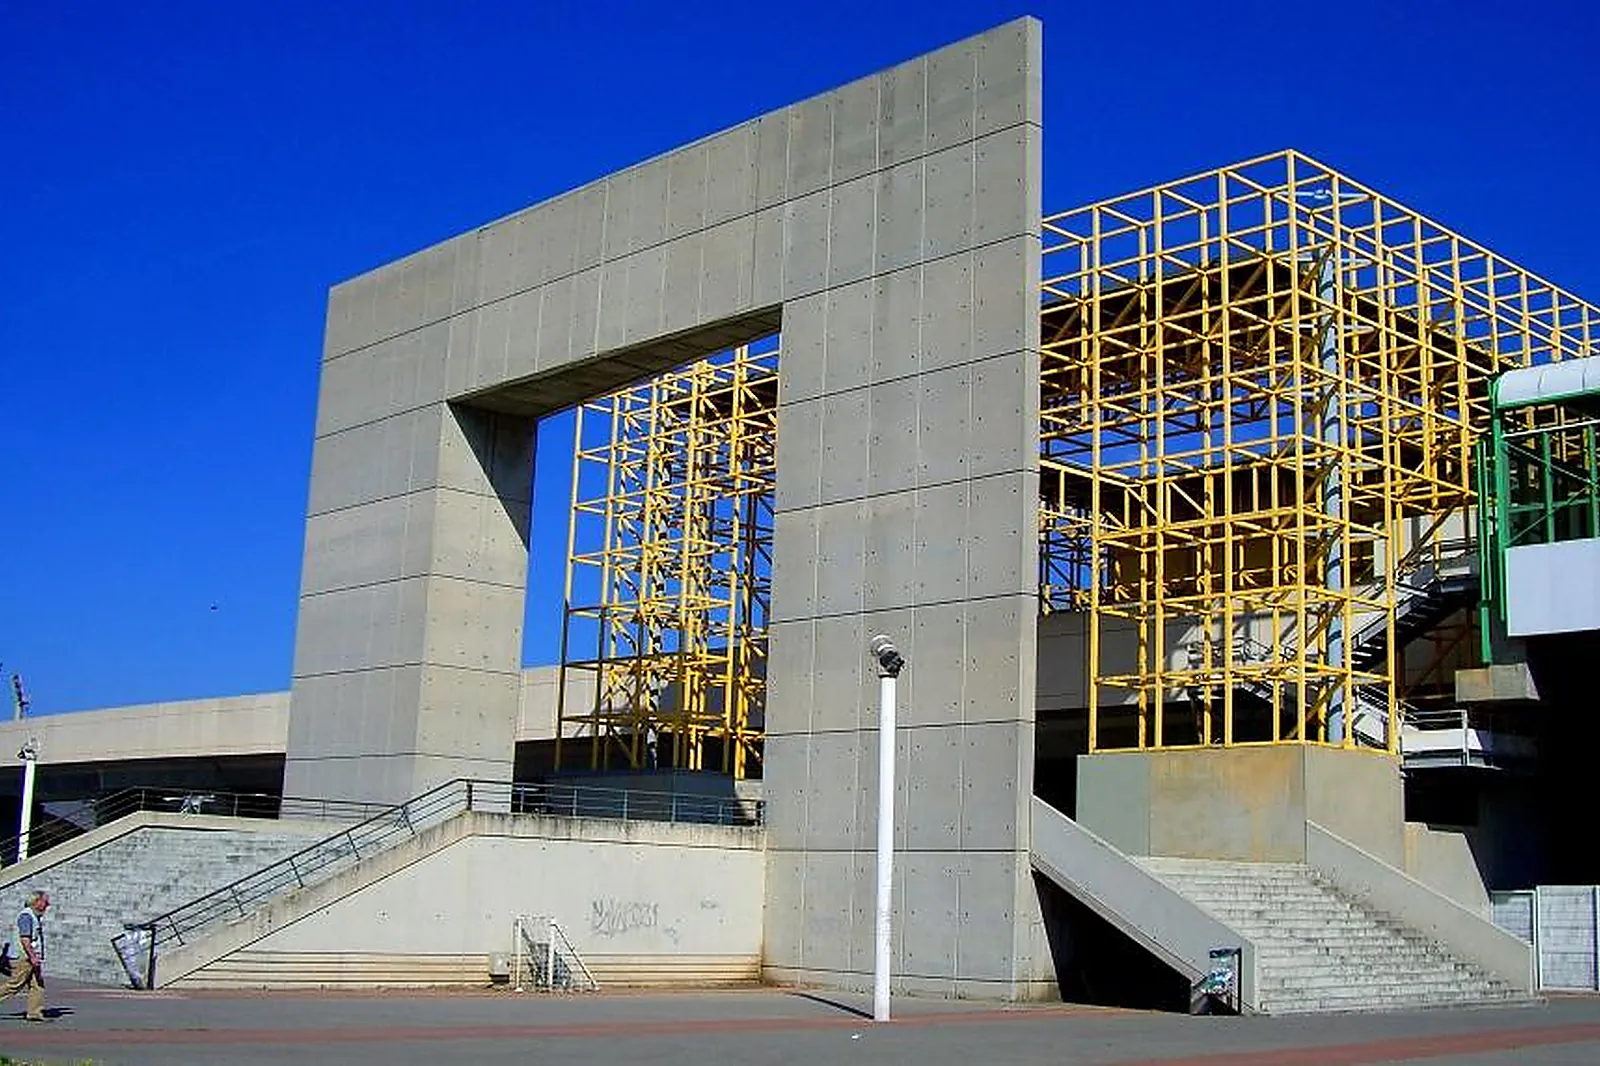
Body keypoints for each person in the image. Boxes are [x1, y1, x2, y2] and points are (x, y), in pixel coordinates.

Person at [0, 890, 49, 1021]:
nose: (47, 904)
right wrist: (32, 956)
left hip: (31, 957)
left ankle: (34, 1012)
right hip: (23, 958)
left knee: (37, 985)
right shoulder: (26, 916)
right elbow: (25, 939)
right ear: (37, 901)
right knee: (15, 985)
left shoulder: (34, 916)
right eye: (45, 901)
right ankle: (34, 1012)